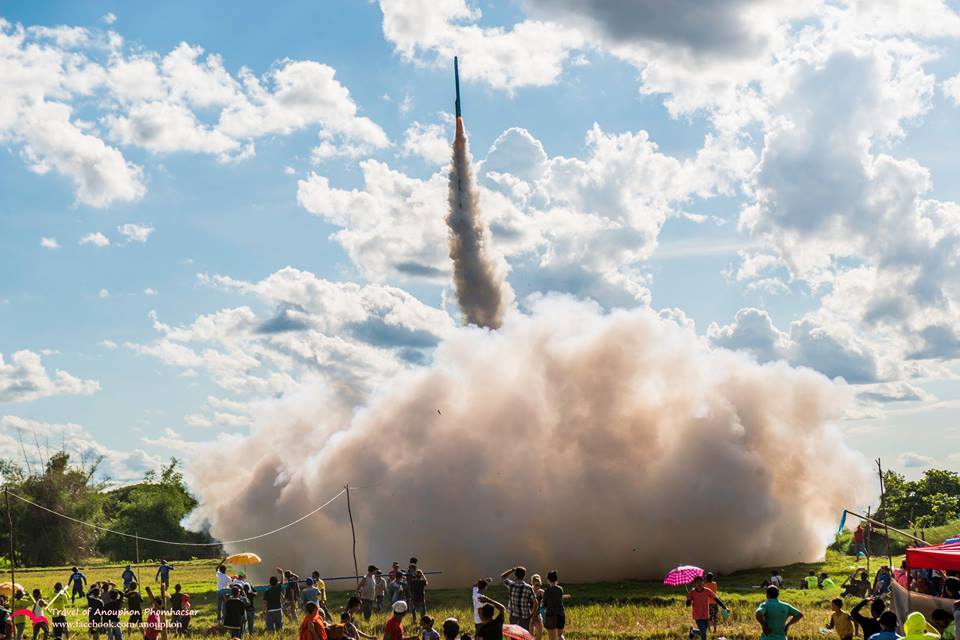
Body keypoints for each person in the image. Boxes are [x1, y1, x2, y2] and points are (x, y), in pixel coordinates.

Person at [687, 575, 728, 640]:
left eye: (701, 582)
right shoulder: (692, 592)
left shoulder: (707, 591)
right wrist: (688, 600)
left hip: (706, 615)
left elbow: (716, 599)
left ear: (703, 582)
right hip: (697, 615)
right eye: (698, 582)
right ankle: (694, 631)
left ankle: (693, 631)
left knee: (703, 632)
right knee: (704, 635)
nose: (700, 584)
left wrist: (724, 607)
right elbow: (687, 604)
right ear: (695, 584)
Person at [542, 571, 565, 640]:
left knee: (552, 638)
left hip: (551, 615)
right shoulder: (560, 589)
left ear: (548, 580)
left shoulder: (547, 591)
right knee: (560, 635)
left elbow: (544, 604)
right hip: (560, 614)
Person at [529, 575, 544, 640]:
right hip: (529, 616)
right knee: (530, 635)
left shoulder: (541, 592)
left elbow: (549, 599)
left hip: (537, 615)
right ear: (532, 583)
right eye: (536, 585)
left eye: (539, 585)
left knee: (540, 632)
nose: (538, 586)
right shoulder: (529, 591)